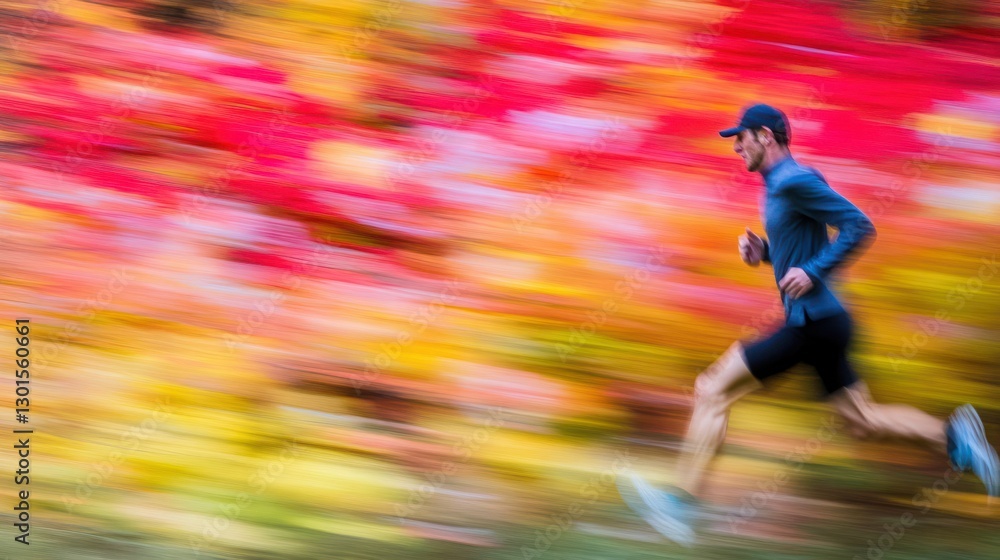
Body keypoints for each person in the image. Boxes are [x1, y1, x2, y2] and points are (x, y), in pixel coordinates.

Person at [618, 103, 1000, 546]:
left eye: (740, 137)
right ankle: (954, 435)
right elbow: (800, 253)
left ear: (765, 135)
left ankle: (680, 505)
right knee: (864, 421)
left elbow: (859, 226)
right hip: (825, 322)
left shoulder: (796, 180)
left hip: (812, 324)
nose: (736, 146)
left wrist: (813, 271)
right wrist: (766, 255)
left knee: (712, 389)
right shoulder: (778, 186)